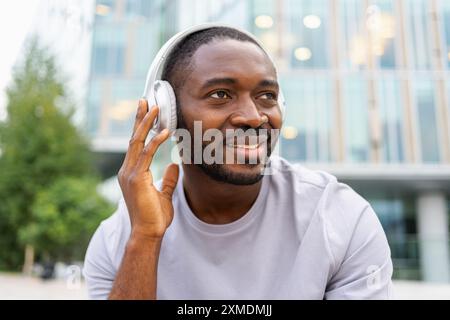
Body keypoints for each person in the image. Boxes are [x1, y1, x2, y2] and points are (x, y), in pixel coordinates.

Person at [83, 25, 393, 300]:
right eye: (220, 94)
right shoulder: (120, 238)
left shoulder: (341, 219)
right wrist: (145, 238)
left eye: (267, 96)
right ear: (169, 113)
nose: (254, 117)